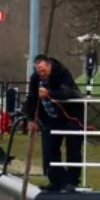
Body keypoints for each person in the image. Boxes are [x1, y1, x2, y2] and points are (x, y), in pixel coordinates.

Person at [22, 54, 84, 192]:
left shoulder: (62, 73)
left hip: (71, 117)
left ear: (49, 66)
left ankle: (72, 182)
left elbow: (67, 93)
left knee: (73, 149)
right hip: (51, 118)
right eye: (38, 71)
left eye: (43, 70)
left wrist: (49, 92)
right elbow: (32, 98)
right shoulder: (35, 79)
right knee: (49, 148)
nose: (41, 74)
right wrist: (31, 119)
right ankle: (57, 181)